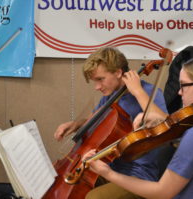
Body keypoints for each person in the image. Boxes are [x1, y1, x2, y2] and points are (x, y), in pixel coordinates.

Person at [84, 55, 193, 199]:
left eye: (183, 85)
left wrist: (108, 173)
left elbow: (162, 192)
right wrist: (160, 121)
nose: (179, 92)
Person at [54, 47, 172, 199]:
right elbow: (98, 122)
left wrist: (137, 91)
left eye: (100, 79)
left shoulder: (150, 92)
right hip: (109, 169)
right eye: (94, 81)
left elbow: (166, 125)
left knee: (94, 198)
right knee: (66, 185)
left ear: (118, 72)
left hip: (138, 175)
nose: (97, 87)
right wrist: (77, 124)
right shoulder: (111, 96)